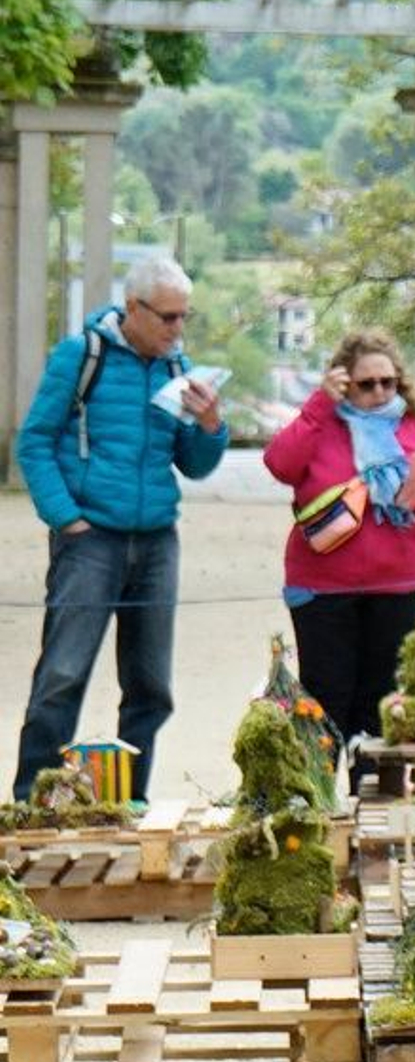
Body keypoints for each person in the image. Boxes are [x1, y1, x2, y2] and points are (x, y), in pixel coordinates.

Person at [12, 255, 229, 804]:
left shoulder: (180, 370)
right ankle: (31, 804)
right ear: (133, 309)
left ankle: (130, 803)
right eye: (168, 318)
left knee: (151, 687)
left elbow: (195, 464)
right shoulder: (80, 357)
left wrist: (211, 426)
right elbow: (33, 443)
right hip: (91, 540)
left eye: (185, 318)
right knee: (62, 678)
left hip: (157, 539)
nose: (178, 329)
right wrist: (68, 519)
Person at [264, 328, 415, 763]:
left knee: (383, 709)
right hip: (323, 590)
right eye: (366, 384)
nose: (379, 392)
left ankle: (373, 815)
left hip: (400, 588)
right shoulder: (320, 423)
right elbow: (279, 465)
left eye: (388, 382)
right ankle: (323, 812)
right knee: (324, 705)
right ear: (344, 384)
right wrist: (320, 404)